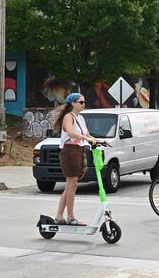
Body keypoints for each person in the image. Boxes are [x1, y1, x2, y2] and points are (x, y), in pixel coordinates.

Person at [53, 92, 97, 225]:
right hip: (70, 152)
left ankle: (59, 216)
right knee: (71, 186)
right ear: (73, 103)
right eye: (81, 102)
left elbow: (88, 134)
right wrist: (85, 138)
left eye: (84, 102)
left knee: (70, 187)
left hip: (79, 150)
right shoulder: (68, 116)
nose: (83, 104)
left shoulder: (81, 118)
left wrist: (97, 140)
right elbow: (71, 132)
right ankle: (70, 217)